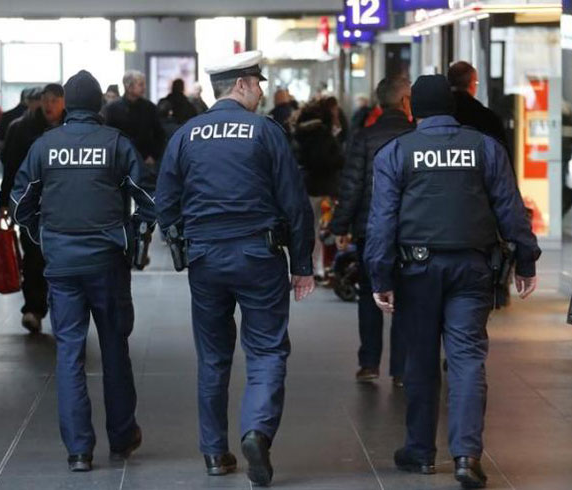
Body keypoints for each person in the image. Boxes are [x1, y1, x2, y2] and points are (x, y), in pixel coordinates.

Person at [365, 75, 541, 489]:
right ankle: (466, 455)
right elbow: (510, 209)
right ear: (453, 107)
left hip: (416, 271)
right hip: (473, 268)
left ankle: (421, 453)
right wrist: (527, 260)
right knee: (467, 361)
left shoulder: (396, 152)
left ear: (414, 110)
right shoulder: (486, 148)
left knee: (421, 361)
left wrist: (380, 274)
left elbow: (383, 221)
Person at [156, 50, 315, 487]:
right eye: (258, 83)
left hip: (206, 259)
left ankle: (213, 453)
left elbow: (165, 203)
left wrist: (180, 242)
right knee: (266, 349)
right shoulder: (266, 132)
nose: (262, 91)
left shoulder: (186, 135)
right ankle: (256, 432)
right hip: (259, 256)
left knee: (213, 356)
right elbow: (294, 202)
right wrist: (302, 264)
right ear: (241, 85)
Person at [10, 70, 155, 473]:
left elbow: (21, 201)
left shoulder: (45, 146)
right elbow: (145, 200)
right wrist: (130, 236)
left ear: (67, 106)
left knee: (70, 354)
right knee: (114, 349)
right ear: (98, 106)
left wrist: (45, 237)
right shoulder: (116, 145)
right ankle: (123, 436)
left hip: (62, 265)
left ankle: (79, 450)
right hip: (107, 262)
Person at [331, 77, 414, 386]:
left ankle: (369, 363)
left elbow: (351, 184)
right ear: (405, 102)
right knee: (405, 296)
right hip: (409, 232)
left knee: (369, 294)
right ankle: (401, 368)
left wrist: (340, 225)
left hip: (369, 229)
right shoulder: (416, 137)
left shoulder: (364, 137)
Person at [0, 84, 66, 334]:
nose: (49, 105)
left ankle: (61, 309)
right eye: (45, 100)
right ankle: (34, 309)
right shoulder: (22, 128)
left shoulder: (72, 129)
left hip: (63, 205)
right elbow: (11, 167)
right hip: (31, 206)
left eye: (54, 100)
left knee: (60, 259)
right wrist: (4, 202)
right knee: (33, 258)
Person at [292, 96, 344, 278]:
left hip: (308, 184)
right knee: (324, 227)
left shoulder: (303, 133)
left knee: (312, 227)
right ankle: (321, 266)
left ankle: (313, 264)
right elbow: (330, 159)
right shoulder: (323, 134)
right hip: (325, 185)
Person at [102, 70, 166, 187]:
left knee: (145, 196)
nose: (144, 88)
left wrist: (154, 156)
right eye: (140, 84)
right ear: (129, 86)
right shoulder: (112, 109)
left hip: (145, 160)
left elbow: (160, 134)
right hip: (119, 161)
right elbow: (107, 135)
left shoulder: (149, 108)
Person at [447, 61, 508, 149]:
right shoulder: (487, 118)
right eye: (476, 83)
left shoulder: (435, 115)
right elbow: (501, 156)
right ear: (472, 84)